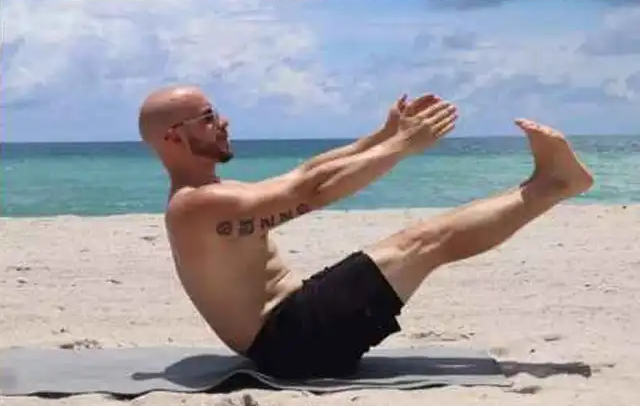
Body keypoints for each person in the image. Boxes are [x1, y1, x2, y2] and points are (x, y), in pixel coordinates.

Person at [138, 85, 594, 380]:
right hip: (291, 345)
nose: (223, 120)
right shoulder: (194, 206)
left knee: (422, 240)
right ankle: (552, 185)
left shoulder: (211, 191)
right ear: (173, 137)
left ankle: (550, 184)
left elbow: (308, 171)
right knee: (426, 241)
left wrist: (383, 135)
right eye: (208, 115)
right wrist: (403, 145)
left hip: (295, 326)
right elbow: (312, 190)